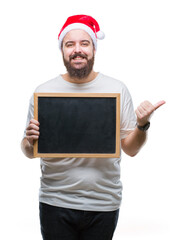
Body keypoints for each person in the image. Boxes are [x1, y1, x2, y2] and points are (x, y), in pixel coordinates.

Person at [21, 15, 165, 240]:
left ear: (94, 49)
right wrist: (29, 141)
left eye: (84, 43)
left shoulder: (116, 89)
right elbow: (29, 151)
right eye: (70, 44)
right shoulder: (44, 92)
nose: (77, 50)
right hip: (55, 201)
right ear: (62, 51)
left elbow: (130, 149)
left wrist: (142, 124)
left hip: (103, 203)